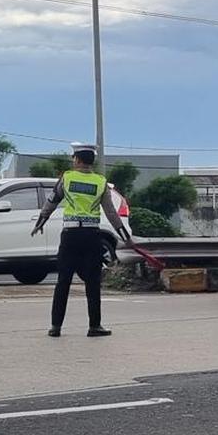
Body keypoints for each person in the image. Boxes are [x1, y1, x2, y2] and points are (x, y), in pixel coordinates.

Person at [32, 145, 133, 338]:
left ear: (77, 160)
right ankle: (94, 326)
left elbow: (51, 202)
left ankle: (55, 327)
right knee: (93, 282)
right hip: (91, 236)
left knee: (63, 281)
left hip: (70, 235)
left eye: (73, 158)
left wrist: (40, 222)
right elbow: (111, 213)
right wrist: (124, 235)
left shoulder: (67, 178)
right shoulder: (100, 182)